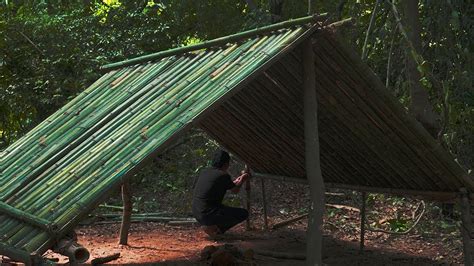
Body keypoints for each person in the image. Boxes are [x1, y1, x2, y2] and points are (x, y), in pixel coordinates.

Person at [192, 149, 250, 237]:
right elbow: (235, 190)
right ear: (226, 164)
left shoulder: (205, 172)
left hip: (196, 211)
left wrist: (239, 180)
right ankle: (215, 230)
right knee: (243, 213)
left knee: (223, 209)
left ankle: (212, 227)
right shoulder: (223, 175)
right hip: (208, 213)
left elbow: (230, 185)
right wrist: (243, 179)